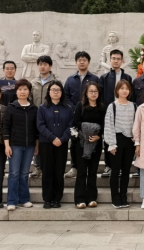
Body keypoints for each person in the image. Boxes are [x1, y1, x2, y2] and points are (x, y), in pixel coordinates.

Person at [37, 81, 74, 209]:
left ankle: (57, 199)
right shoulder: (42, 108)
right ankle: (47, 199)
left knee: (59, 172)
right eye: (53, 90)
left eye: (58, 90)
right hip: (46, 144)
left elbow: (70, 125)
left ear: (62, 92)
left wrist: (62, 139)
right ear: (49, 92)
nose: (55, 92)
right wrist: (52, 138)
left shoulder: (68, 108)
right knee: (47, 172)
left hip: (62, 144)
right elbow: (40, 125)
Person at [3, 79, 39, 211]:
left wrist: (36, 145)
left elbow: (36, 129)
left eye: (25, 89)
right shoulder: (11, 108)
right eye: (20, 89)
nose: (22, 92)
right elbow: (5, 127)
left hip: (29, 146)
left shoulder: (34, 109)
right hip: (15, 145)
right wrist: (7, 145)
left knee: (24, 173)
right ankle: (11, 201)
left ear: (29, 91)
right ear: (16, 91)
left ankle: (24, 199)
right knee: (14, 173)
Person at [64, 51, 99, 179]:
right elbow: (66, 97)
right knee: (75, 142)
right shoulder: (70, 79)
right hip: (75, 116)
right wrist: (75, 109)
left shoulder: (95, 79)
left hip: (90, 116)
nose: (82, 62)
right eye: (79, 60)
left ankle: (89, 166)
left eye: (84, 60)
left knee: (91, 141)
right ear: (76, 62)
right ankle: (74, 167)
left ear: (88, 62)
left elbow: (98, 95)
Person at [99, 49, 133, 177]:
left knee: (124, 140)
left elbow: (131, 95)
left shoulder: (127, 78)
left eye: (118, 59)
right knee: (108, 138)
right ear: (110, 60)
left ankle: (122, 166)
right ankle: (109, 166)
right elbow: (100, 96)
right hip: (109, 111)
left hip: (124, 111)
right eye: (113, 58)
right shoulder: (104, 77)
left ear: (122, 61)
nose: (116, 61)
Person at [104, 80, 137, 209]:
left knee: (126, 170)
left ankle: (123, 195)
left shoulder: (134, 106)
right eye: (122, 88)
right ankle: (115, 197)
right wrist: (111, 144)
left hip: (130, 141)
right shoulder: (112, 106)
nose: (124, 91)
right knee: (115, 170)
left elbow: (136, 124)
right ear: (117, 90)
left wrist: (136, 141)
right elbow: (108, 125)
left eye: (127, 88)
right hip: (116, 140)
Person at [73, 82, 105, 209]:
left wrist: (98, 135)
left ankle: (92, 198)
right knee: (81, 172)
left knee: (92, 171)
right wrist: (88, 131)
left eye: (95, 91)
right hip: (81, 142)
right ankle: (79, 199)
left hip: (96, 143)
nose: (93, 93)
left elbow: (104, 125)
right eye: (91, 91)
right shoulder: (80, 106)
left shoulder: (102, 108)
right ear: (86, 93)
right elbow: (76, 121)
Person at [30, 55, 60, 178]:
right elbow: (30, 99)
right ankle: (37, 167)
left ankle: (49, 166)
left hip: (51, 116)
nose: (42, 67)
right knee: (37, 140)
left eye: (45, 64)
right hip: (36, 115)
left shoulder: (55, 82)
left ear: (50, 66)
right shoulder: (33, 82)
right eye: (40, 64)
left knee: (48, 140)